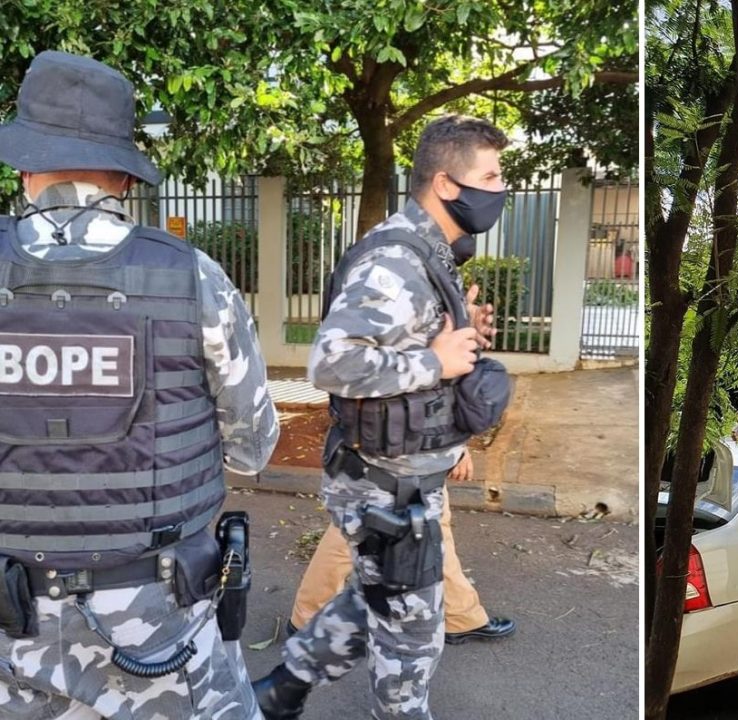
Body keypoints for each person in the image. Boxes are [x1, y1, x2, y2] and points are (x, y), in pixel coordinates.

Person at [0, 51, 278, 718]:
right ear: (123, 177)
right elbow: (253, 447)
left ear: (25, 165)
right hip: (157, 627)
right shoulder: (193, 278)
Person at [253, 114, 511, 720]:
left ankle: (283, 687)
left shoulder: (431, 253)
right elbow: (333, 364)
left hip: (408, 476)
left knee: (377, 595)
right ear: (448, 184)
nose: (502, 189)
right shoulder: (393, 262)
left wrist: (462, 339)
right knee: (412, 646)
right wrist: (436, 361)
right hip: (382, 483)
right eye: (492, 175)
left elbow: (411, 344)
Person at [287, 446, 516, 645]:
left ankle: (460, 613)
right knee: (350, 535)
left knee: (431, 528)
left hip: (388, 443)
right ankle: (309, 616)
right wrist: (456, 448)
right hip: (399, 447)